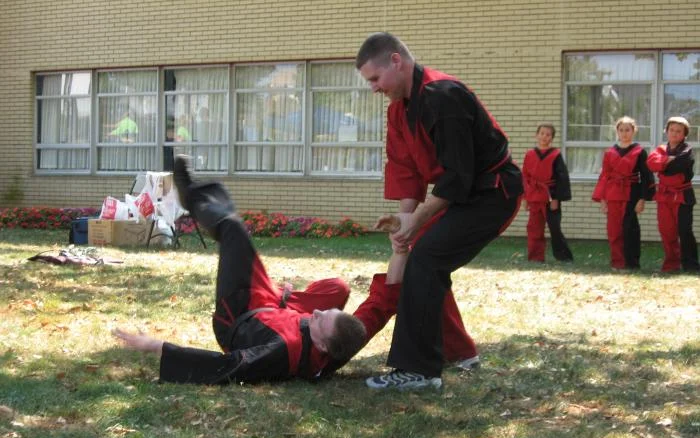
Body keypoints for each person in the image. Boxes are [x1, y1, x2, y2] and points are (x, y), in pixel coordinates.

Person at [113, 155, 405, 384]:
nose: (316, 312)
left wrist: (155, 346)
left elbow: (226, 366)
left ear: (322, 345)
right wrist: (402, 247)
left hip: (240, 314)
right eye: (324, 312)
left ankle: (192, 196)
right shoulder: (347, 339)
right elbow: (381, 304)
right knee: (338, 287)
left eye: (320, 320)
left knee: (232, 228)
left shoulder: (281, 351)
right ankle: (283, 296)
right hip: (274, 307)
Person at [356, 32, 523, 390]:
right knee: (424, 258)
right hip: (463, 193)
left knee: (427, 259)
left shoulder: (444, 96)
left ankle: (419, 370)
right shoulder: (399, 111)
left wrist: (416, 221)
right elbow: (407, 171)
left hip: (493, 193)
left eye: (375, 78)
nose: (373, 88)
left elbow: (458, 176)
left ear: (396, 62)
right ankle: (460, 352)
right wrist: (403, 225)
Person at [592, 116, 656, 269]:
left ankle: (632, 263)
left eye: (628, 130)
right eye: (621, 130)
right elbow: (605, 176)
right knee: (613, 229)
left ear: (633, 131)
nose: (624, 133)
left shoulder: (639, 152)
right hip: (612, 193)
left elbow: (646, 177)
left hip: (631, 195)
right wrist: (602, 199)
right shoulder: (610, 152)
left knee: (630, 229)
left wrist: (642, 199)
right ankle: (617, 262)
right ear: (617, 132)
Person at [646, 116, 699, 272]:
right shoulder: (660, 149)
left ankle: (691, 265)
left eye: (679, 131)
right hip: (664, 196)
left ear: (684, 134)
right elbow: (650, 164)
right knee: (666, 230)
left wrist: (662, 164)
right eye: (672, 130)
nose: (675, 134)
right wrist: (667, 160)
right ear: (666, 131)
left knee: (684, 230)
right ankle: (671, 264)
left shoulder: (687, 150)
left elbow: (679, 166)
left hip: (682, 196)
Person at [522, 123, 573, 263]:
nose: (544, 136)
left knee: (554, 228)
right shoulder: (530, 154)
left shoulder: (555, 155)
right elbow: (525, 177)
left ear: (552, 138)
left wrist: (556, 198)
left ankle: (564, 257)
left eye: (548, 134)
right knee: (534, 228)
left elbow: (561, 178)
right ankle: (535, 257)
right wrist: (526, 198)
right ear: (536, 135)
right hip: (534, 196)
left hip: (550, 197)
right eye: (542, 133)